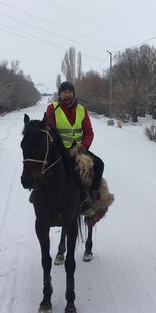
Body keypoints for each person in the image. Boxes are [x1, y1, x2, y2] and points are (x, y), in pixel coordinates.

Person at [46, 81, 104, 217]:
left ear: (73, 93)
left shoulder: (81, 110)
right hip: (60, 150)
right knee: (46, 168)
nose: (67, 94)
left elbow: (89, 131)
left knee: (99, 164)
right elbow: (50, 130)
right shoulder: (52, 108)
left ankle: (91, 199)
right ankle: (37, 193)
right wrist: (58, 147)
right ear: (60, 94)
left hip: (79, 150)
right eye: (64, 92)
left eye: (70, 92)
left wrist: (84, 146)